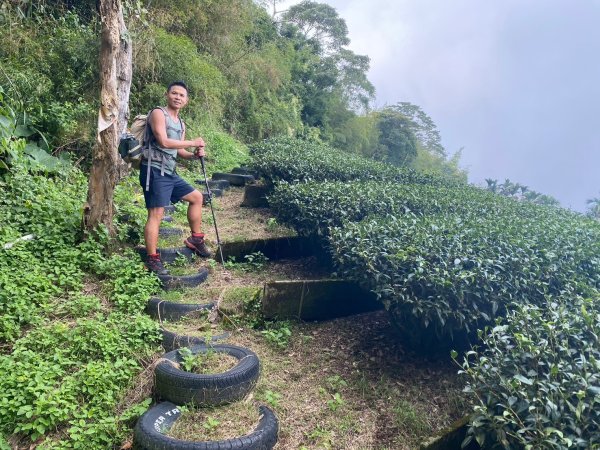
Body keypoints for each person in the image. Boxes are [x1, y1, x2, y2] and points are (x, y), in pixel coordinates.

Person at [140, 81, 211, 274]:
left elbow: (179, 151)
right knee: (156, 214)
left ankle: (196, 239)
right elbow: (162, 140)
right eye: (174, 93)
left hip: (170, 172)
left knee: (197, 197)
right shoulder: (158, 113)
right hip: (154, 170)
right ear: (167, 95)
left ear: (186, 101)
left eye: (182, 95)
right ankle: (152, 259)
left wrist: (193, 154)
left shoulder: (180, 123)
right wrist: (193, 141)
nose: (177, 97)